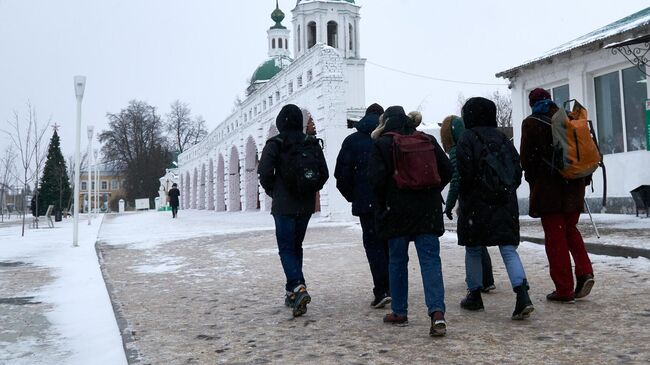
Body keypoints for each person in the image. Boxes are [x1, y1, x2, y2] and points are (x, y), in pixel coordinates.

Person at [369, 106, 452, 337]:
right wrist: (431, 189)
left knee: (397, 261)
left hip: (395, 212)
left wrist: (385, 202)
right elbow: (447, 169)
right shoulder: (426, 140)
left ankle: (399, 311)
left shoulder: (382, 144)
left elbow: (374, 180)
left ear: (385, 122)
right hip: (427, 210)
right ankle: (437, 313)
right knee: (430, 261)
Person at [455, 97, 534, 320]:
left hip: (476, 205)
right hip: (504, 203)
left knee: (473, 247)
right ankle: (522, 295)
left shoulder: (467, 138)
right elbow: (516, 173)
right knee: (508, 249)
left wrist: (471, 193)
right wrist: (503, 190)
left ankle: (475, 295)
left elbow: (465, 173)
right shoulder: (502, 138)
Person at [520, 88, 595, 303]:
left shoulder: (531, 123)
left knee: (556, 240)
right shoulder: (569, 118)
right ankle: (585, 271)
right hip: (575, 186)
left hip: (550, 192)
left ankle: (564, 289)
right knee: (571, 230)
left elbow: (526, 160)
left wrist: (534, 181)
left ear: (532, 103)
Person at [258, 104, 329, 317]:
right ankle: (293, 292)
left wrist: (276, 192)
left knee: (287, 248)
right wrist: (308, 189)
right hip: (304, 205)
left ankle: (298, 286)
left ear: (281, 122)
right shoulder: (311, 143)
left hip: (283, 205)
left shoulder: (275, 143)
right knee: (296, 245)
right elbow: (323, 173)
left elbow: (263, 172)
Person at [335, 103, 391, 308]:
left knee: (374, 245)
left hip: (366, 204)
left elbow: (341, 176)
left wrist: (355, 195)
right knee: (390, 245)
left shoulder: (352, 141)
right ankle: (394, 287)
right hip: (390, 202)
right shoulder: (390, 138)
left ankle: (382, 289)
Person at [440, 115, 496, 293]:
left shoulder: (457, 151)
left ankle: (477, 281)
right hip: (484, 199)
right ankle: (486, 278)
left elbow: (456, 181)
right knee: (480, 242)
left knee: (472, 243)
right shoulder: (475, 143)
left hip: (470, 202)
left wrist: (448, 205)